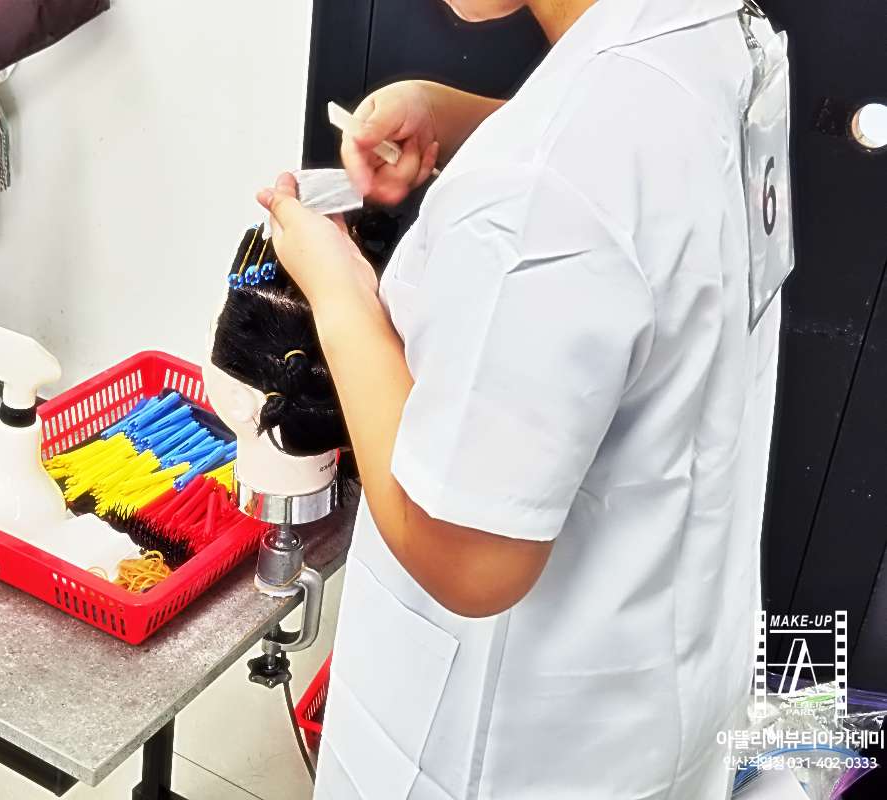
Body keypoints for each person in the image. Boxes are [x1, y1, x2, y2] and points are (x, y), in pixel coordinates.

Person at [257, 0, 781, 796]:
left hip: (511, 755)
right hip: (654, 693)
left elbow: (470, 559)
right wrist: (456, 118)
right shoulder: (710, 30)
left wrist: (339, 293)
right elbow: (622, 162)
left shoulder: (542, 186)